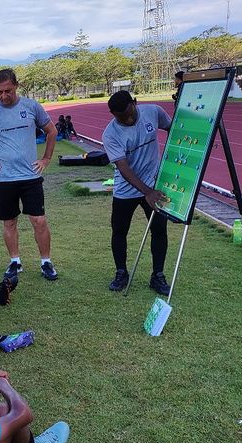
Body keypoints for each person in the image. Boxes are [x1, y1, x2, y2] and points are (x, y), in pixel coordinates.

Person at [0, 68, 59, 284]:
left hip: (30, 177)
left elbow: (52, 131)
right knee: (9, 223)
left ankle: (46, 261)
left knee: (39, 220)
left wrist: (45, 158)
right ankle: (15, 261)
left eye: (7, 90)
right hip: (3, 180)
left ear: (16, 86)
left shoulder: (31, 107)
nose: (3, 96)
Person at [102, 90, 172, 295]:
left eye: (128, 113)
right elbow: (124, 168)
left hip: (153, 185)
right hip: (126, 190)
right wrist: (147, 192)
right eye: (120, 117)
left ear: (135, 102)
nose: (127, 119)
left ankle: (157, 276)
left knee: (159, 229)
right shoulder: (110, 133)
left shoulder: (153, 112)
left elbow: (172, 128)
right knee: (119, 231)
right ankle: (121, 272)